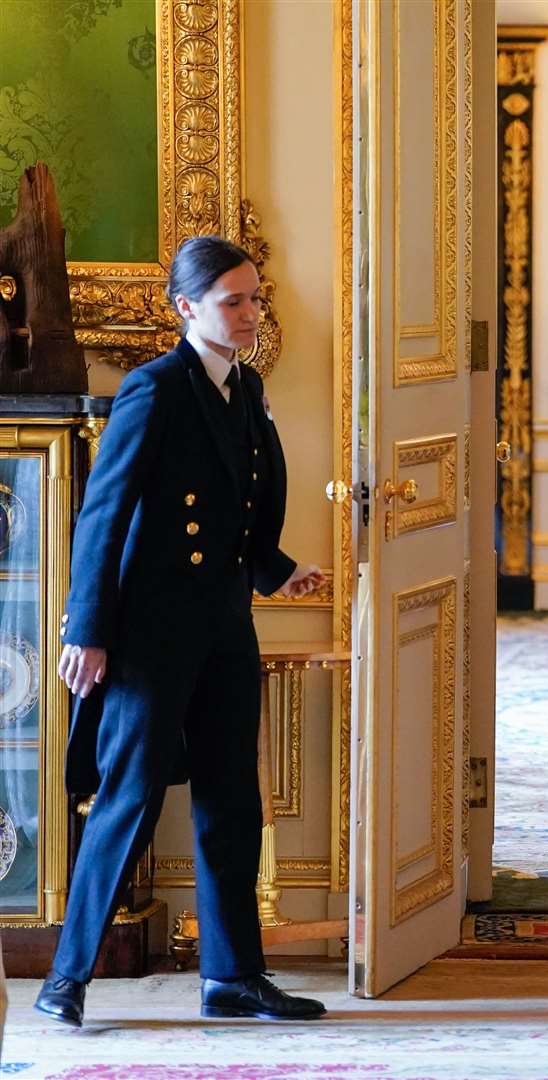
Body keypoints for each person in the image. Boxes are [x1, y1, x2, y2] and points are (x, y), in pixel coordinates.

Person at [35, 236, 328, 1028]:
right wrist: (89, 628)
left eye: (255, 298)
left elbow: (241, 503)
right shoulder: (154, 389)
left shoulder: (247, 385)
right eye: (233, 301)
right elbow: (104, 514)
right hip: (152, 634)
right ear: (187, 307)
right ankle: (66, 977)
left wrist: (275, 570)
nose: (249, 314)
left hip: (226, 625)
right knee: (126, 799)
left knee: (232, 800)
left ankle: (232, 977)